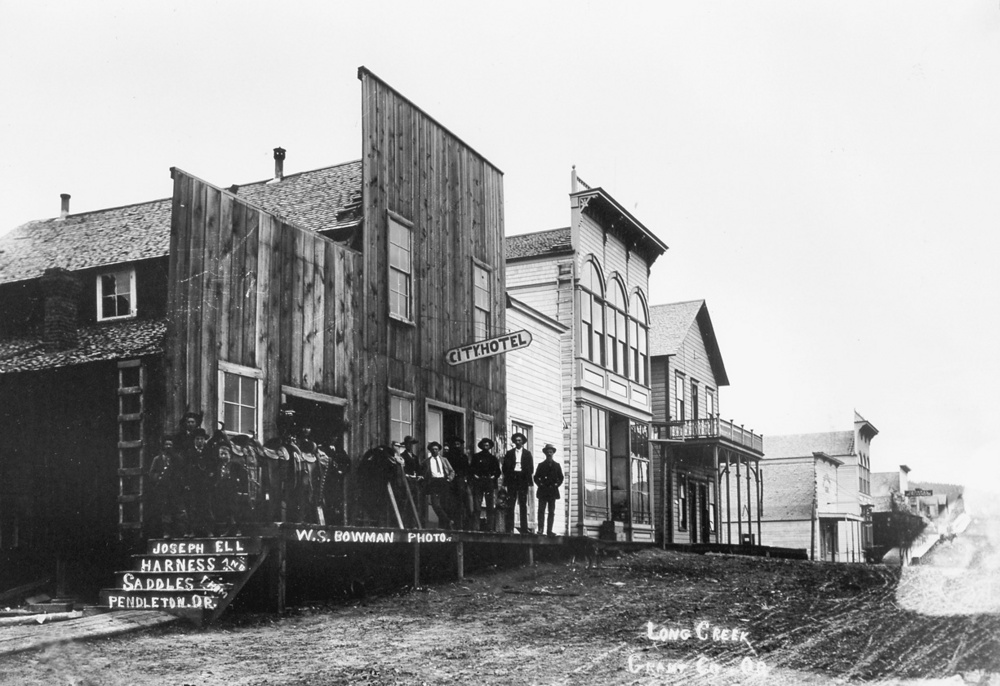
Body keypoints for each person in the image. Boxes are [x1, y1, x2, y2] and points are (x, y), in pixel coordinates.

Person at [148, 435, 187, 538]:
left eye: (170, 444)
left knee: (179, 511)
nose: (168, 446)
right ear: (163, 446)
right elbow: (152, 473)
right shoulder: (157, 459)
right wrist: (160, 478)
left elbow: (182, 472)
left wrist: (180, 483)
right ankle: (167, 532)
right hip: (163, 490)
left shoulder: (178, 459)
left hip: (175, 490)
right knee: (165, 511)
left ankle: (180, 532)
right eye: (166, 444)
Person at [502, 432, 534, 534]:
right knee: (511, 503)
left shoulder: (527, 454)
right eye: (516, 440)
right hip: (512, 479)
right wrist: (509, 475)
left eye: (520, 440)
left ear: (523, 442)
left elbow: (531, 468)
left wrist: (525, 476)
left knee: (523, 503)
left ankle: (524, 528)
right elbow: (504, 467)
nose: (518, 442)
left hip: (522, 479)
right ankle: (509, 528)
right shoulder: (510, 453)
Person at [470, 437, 501, 532]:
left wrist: (492, 477)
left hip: (489, 483)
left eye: (487, 445)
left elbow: (498, 471)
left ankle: (490, 527)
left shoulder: (493, 458)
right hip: (478, 482)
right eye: (484, 445)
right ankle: (476, 527)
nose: (485, 447)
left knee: (490, 505)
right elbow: (471, 469)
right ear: (481, 446)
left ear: (490, 447)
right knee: (477, 505)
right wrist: (475, 476)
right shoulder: (476, 457)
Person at [421, 441, 454, 529]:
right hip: (433, 483)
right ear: (430, 450)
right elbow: (423, 473)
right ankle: (448, 521)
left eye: (436, 449)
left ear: (439, 450)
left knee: (445, 505)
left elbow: (452, 471)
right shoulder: (426, 462)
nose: (434, 451)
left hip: (443, 482)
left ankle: (444, 526)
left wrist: (449, 478)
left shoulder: (444, 460)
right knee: (435, 505)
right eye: (433, 449)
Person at [534, 444, 564, 536]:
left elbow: (561, 477)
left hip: (552, 491)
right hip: (543, 491)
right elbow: (536, 477)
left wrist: (556, 484)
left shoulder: (557, 465)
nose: (549, 453)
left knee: (551, 512)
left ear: (553, 453)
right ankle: (540, 529)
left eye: (551, 452)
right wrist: (540, 484)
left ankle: (549, 531)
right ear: (545, 453)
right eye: (548, 452)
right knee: (541, 511)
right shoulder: (541, 465)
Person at [446, 437, 473, 529]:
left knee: (462, 502)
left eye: (458, 444)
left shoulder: (463, 457)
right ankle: (452, 523)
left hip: (461, 480)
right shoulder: (448, 456)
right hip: (451, 480)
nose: (456, 446)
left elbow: (467, 469)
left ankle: (461, 524)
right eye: (455, 444)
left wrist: (465, 479)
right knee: (451, 502)